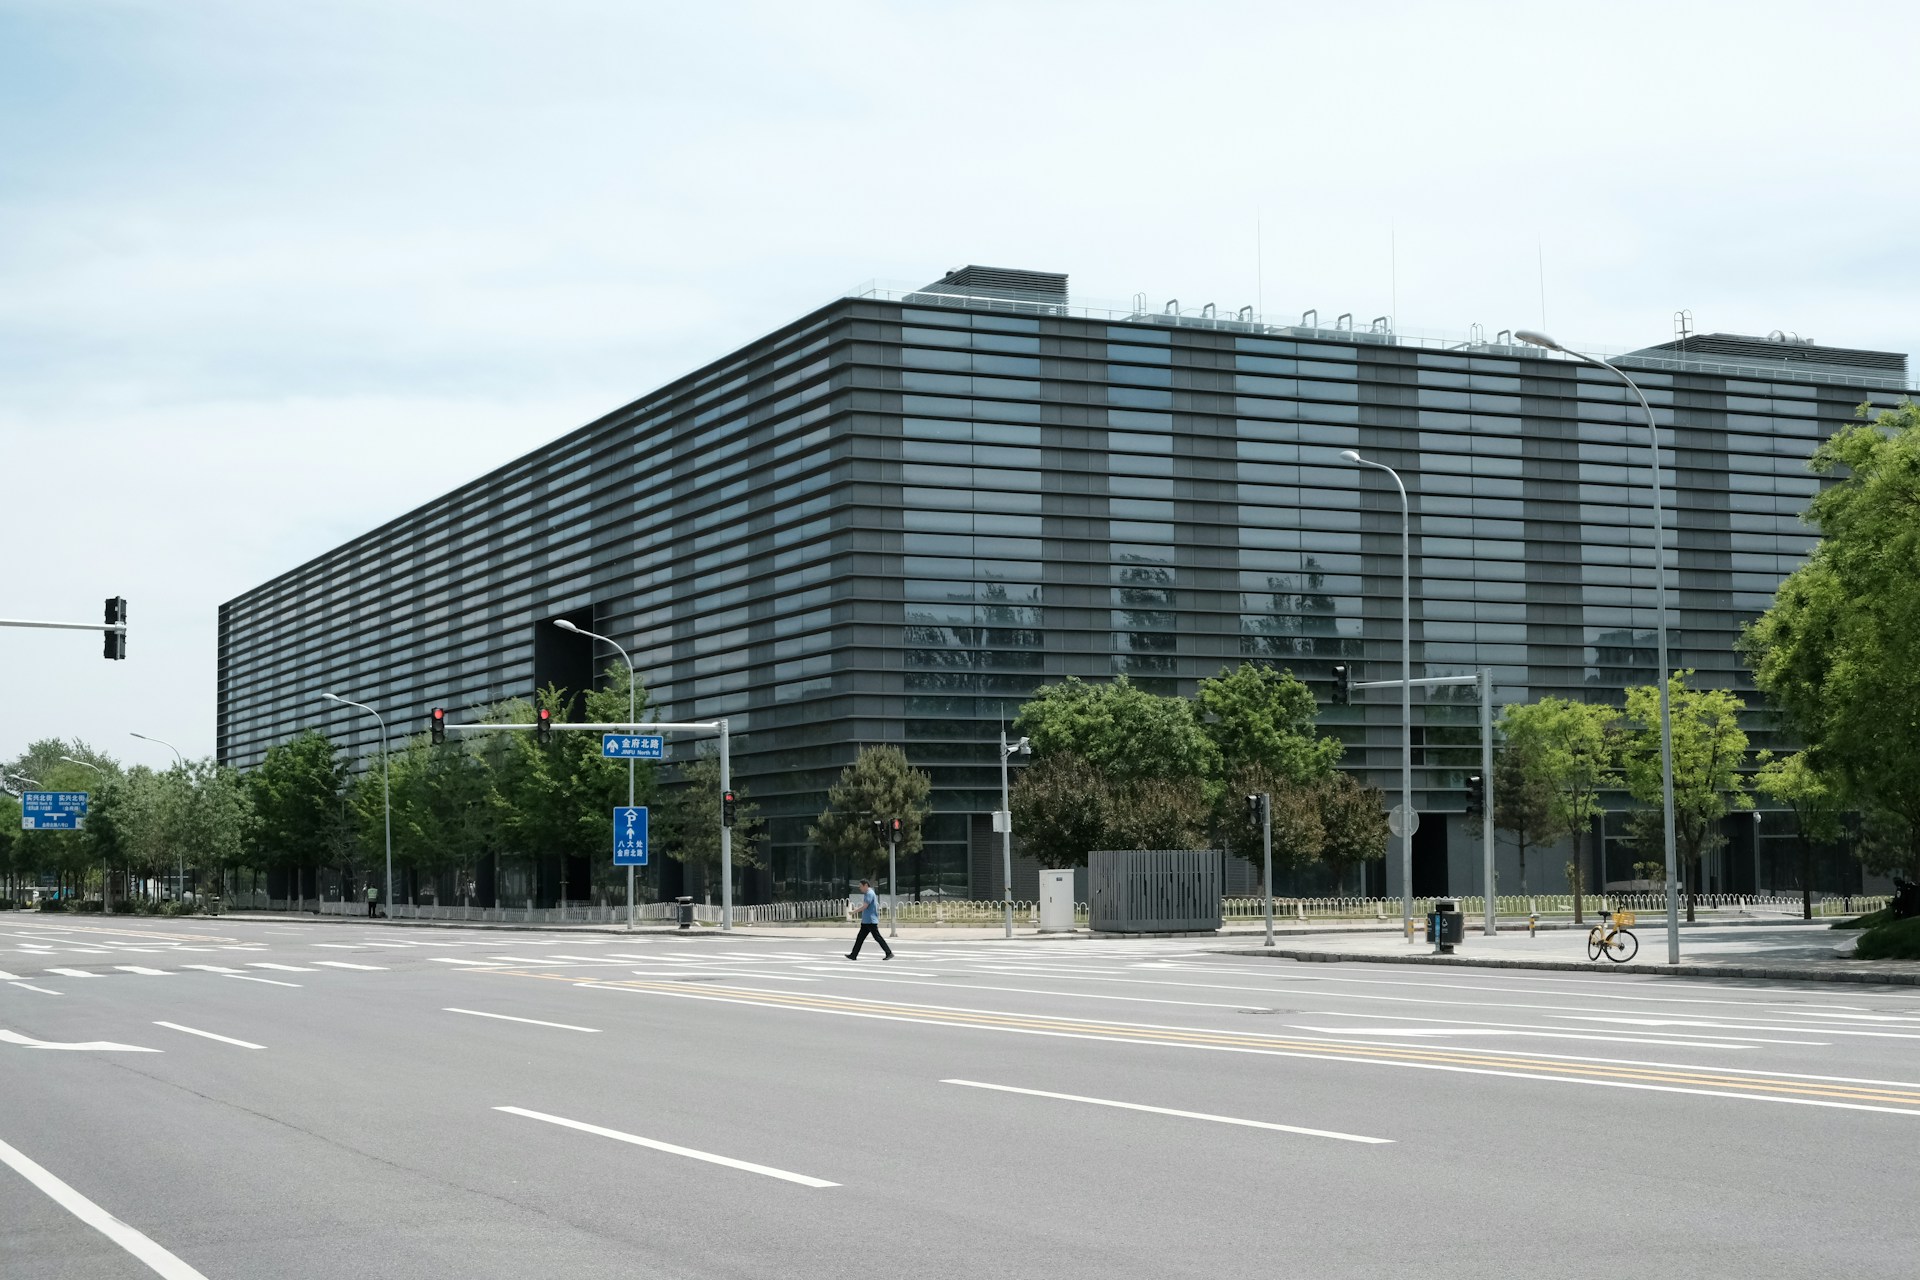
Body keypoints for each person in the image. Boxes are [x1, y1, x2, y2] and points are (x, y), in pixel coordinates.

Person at [846, 878, 893, 960]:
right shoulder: (867, 893)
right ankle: (853, 955)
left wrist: (854, 912)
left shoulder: (870, 893)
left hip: (871, 920)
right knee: (860, 938)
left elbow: (865, 906)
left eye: (861, 886)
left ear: (866, 885)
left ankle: (888, 952)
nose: (859, 888)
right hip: (866, 921)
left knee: (877, 937)